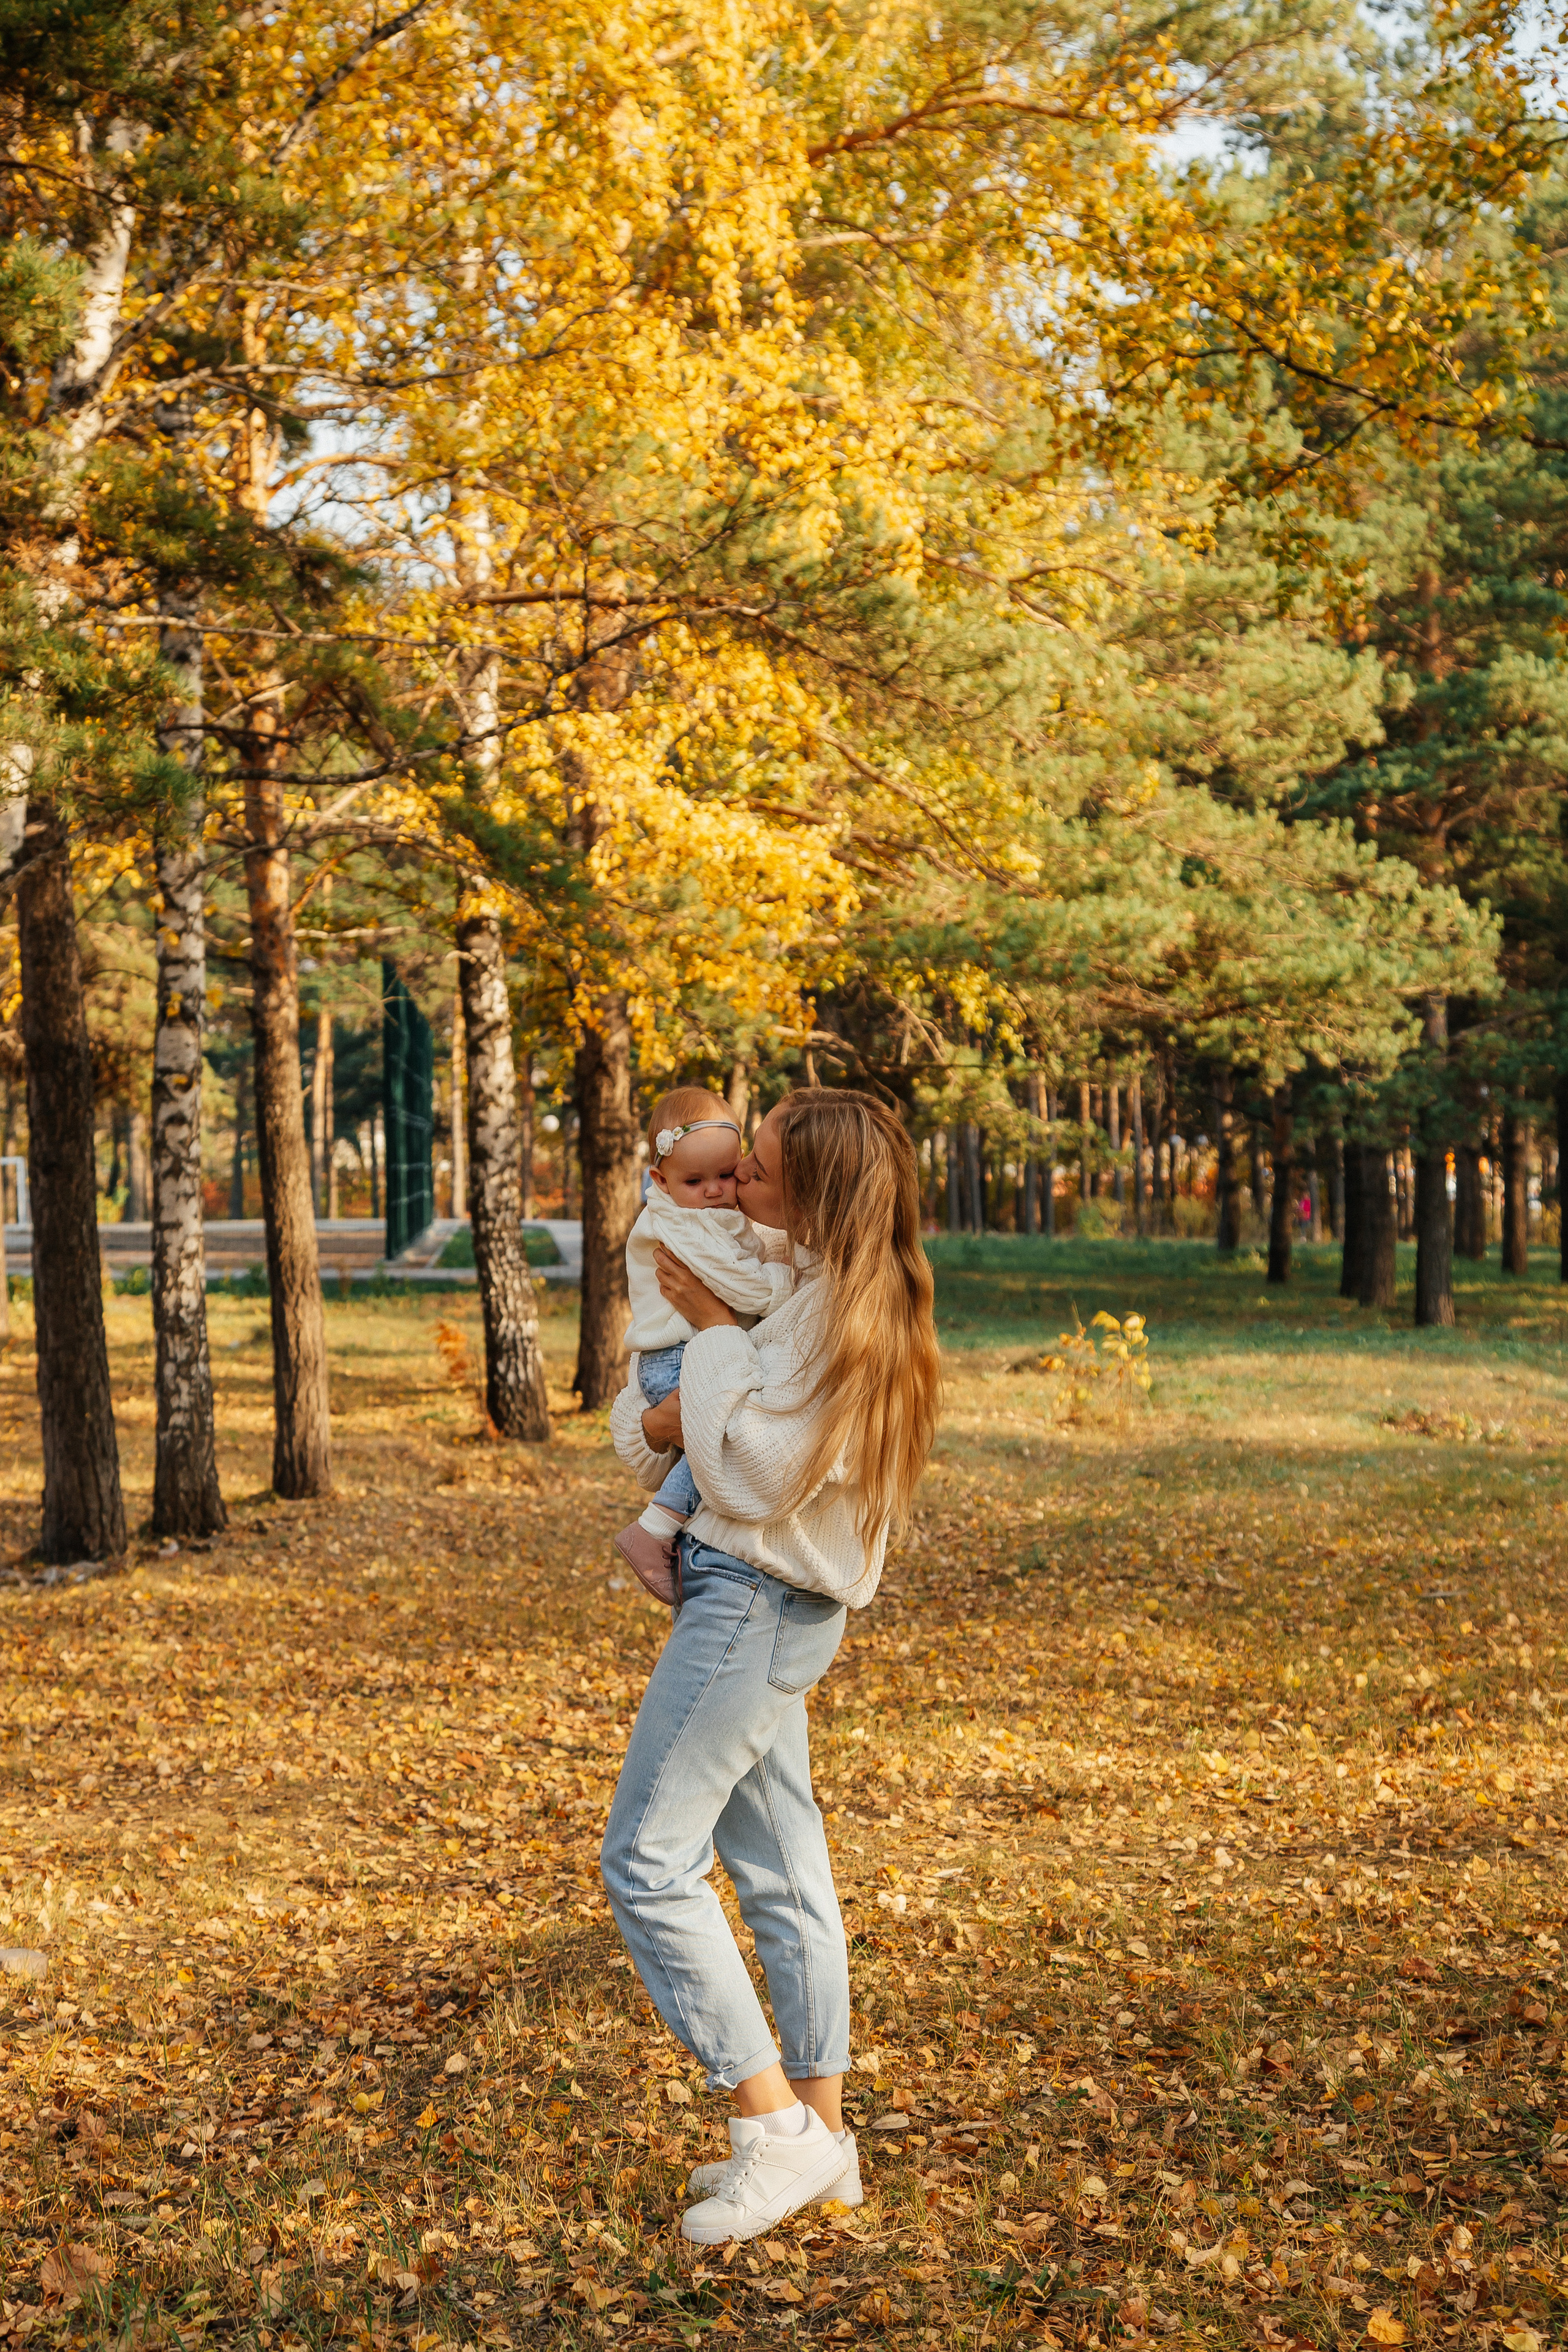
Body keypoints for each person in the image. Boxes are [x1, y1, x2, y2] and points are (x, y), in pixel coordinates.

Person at [601, 1088, 941, 2244]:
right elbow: (656, 1428)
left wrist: (704, 1334)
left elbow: (743, 1473)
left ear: (816, 1193)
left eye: (758, 1170)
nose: (735, 1181)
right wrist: (681, 1385)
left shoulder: (843, 1318)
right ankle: (825, 2141)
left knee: (647, 1860)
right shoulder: (809, 1286)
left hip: (755, 1599)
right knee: (781, 1870)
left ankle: (774, 2129)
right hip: (754, 1593)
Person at [614, 1087, 796, 1604]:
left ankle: (673, 1537)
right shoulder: (683, 1223)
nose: (715, 1190)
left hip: (688, 1348)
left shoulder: (697, 1209)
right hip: (674, 1356)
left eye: (726, 1173)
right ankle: (654, 1530)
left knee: (709, 1445)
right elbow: (739, 1285)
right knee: (719, 1443)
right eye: (695, 1181)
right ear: (660, 1180)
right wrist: (784, 1285)